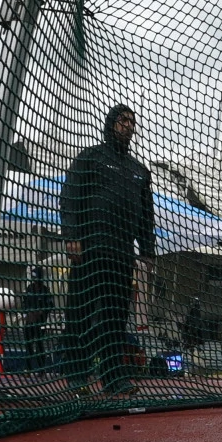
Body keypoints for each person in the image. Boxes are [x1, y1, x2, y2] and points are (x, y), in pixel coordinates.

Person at [60, 104, 157, 394]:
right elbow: (70, 198)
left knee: (115, 319)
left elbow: (146, 216)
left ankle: (114, 380)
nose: (127, 125)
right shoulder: (90, 158)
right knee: (79, 315)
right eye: (122, 120)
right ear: (111, 124)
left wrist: (148, 252)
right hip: (89, 252)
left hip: (122, 256)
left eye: (131, 121)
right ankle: (78, 379)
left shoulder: (140, 172)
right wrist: (72, 236)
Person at [21, 263, 53, 373]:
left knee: (39, 345)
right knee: (28, 345)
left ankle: (41, 370)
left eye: (37, 280)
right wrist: (27, 314)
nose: (36, 282)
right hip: (29, 322)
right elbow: (24, 303)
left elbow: (50, 305)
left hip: (40, 323)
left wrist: (40, 312)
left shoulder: (45, 290)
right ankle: (28, 369)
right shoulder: (29, 289)